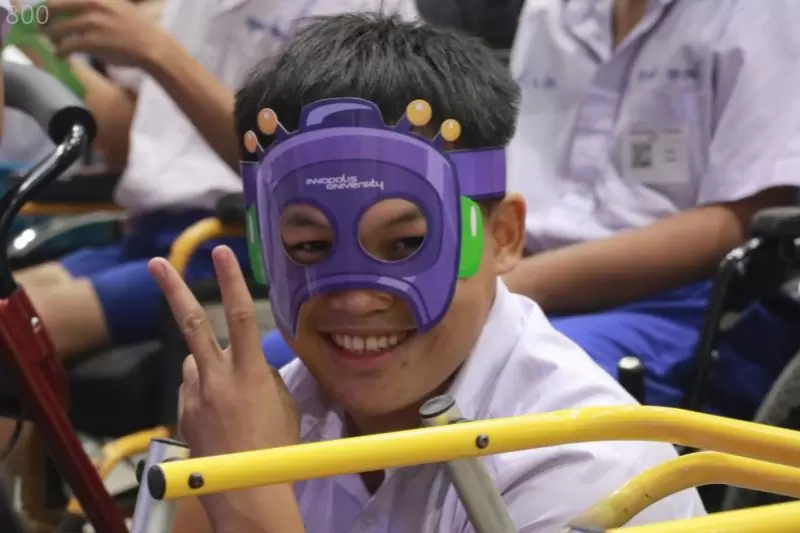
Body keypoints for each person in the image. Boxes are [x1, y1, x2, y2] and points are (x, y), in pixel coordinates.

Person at [152, 14, 705, 533]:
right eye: (309, 246)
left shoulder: (586, 469)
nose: (358, 299)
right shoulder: (257, 417)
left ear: (503, 237)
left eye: (407, 244)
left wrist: (249, 500)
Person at [499, 0, 800, 420]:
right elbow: (508, 182)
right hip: (524, 269)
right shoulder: (550, 12)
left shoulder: (767, 12)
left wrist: (515, 284)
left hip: (685, 302)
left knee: (516, 375)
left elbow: (745, 216)